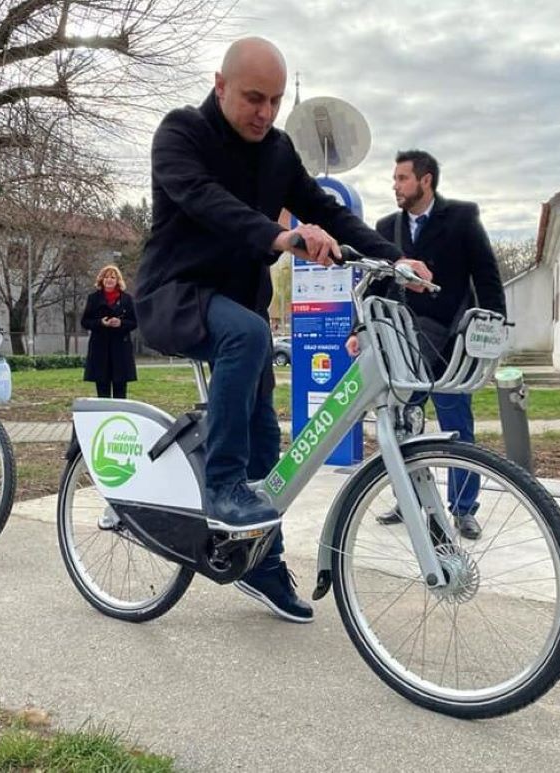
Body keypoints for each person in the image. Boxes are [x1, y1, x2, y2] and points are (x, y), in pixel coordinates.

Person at [134, 37, 431, 623]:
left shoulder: (277, 151)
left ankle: (259, 561)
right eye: (252, 98)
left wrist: (391, 258)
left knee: (268, 444)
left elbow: (329, 209)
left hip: (237, 303)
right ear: (220, 85)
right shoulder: (180, 133)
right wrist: (281, 237)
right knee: (247, 334)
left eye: (273, 101)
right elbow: (205, 201)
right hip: (177, 294)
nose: (265, 113)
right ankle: (220, 486)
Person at [347, 150, 506, 539]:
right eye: (395, 178)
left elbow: (486, 277)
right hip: (403, 344)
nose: (395, 185)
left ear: (426, 180)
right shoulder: (387, 227)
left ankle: (464, 509)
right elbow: (374, 284)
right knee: (404, 425)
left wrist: (494, 328)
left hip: (451, 342)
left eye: (402, 178)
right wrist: (357, 330)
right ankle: (409, 498)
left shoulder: (462, 218)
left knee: (457, 429)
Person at [81, 265, 138, 398]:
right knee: (102, 390)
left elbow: (134, 322)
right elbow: (85, 321)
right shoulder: (93, 298)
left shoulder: (127, 299)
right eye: (106, 277)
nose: (109, 280)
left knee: (120, 391)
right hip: (100, 350)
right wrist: (100, 322)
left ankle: (120, 416)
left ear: (118, 280)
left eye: (113, 277)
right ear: (101, 280)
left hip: (120, 350)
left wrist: (120, 323)